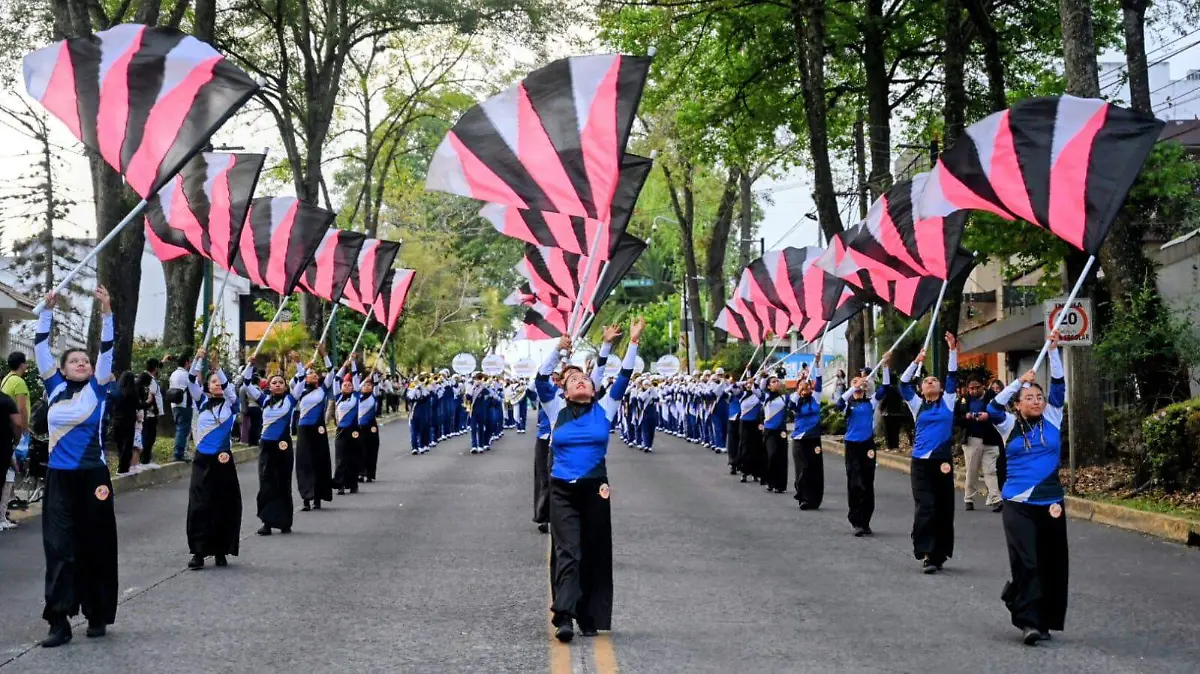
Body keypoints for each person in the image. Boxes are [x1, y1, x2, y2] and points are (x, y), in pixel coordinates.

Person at [536, 318, 642, 642]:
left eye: (586, 380)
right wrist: (558, 349)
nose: (581, 382)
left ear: (594, 389)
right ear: (565, 390)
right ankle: (564, 615)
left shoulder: (606, 409)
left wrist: (631, 342)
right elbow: (541, 378)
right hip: (563, 490)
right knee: (569, 550)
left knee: (593, 550)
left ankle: (589, 614)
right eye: (575, 380)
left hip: (596, 489)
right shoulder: (555, 409)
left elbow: (624, 376)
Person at [36, 288, 118, 647]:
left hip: (93, 478)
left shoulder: (99, 388)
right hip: (59, 479)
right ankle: (59, 620)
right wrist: (46, 311)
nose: (83, 363)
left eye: (86, 359)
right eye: (75, 360)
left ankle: (96, 613)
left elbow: (108, 350)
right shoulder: (53, 387)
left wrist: (107, 311)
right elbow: (40, 344)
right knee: (58, 547)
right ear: (62, 368)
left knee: (95, 544)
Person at [988, 331, 1068, 645]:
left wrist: (1053, 351)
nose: (1035, 401)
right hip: (1018, 503)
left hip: (1051, 503)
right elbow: (994, 406)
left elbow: (1059, 386)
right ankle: (1029, 622)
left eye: (1038, 397)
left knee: (1050, 563)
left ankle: (1041, 615)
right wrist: (1017, 383)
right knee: (1028, 560)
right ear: (1019, 405)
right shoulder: (1008, 425)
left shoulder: (1052, 417)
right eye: (1029, 398)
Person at [899, 333, 959, 574]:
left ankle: (938, 553)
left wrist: (953, 351)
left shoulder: (949, 402)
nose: (931, 382)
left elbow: (953, 376)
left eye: (935, 380)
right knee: (926, 506)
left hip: (942, 462)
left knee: (944, 507)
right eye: (926, 381)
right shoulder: (917, 405)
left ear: (941, 388)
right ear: (922, 389)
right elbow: (903, 384)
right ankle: (926, 552)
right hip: (921, 464)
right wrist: (916, 362)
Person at [185, 349, 242, 570]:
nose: (217, 384)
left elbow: (230, 390)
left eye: (220, 381)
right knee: (199, 505)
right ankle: (198, 552)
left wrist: (218, 368)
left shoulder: (231, 404)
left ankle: (221, 550)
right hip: (202, 460)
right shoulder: (200, 402)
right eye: (213, 382)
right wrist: (198, 359)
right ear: (207, 386)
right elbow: (191, 381)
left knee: (223, 504)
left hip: (224, 461)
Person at [836, 353, 891, 537]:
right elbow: (839, 403)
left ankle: (866, 521)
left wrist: (885, 365)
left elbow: (885, 388)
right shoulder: (848, 404)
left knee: (867, 483)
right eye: (855, 383)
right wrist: (853, 388)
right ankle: (856, 521)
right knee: (855, 482)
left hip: (867, 445)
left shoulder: (870, 402)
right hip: (852, 446)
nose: (860, 385)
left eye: (862, 383)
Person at [245, 362, 304, 536]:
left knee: (283, 482)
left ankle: (285, 521)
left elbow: (301, 380)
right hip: (266, 446)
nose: (277, 384)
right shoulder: (263, 401)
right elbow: (247, 384)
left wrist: (299, 363)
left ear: (285, 386)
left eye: (281, 382)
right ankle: (267, 522)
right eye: (274, 382)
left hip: (283, 446)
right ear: (268, 386)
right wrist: (250, 364)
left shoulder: (291, 400)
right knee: (266, 482)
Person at [295, 349, 337, 510]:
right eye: (310, 373)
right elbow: (295, 379)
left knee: (319, 461)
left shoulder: (322, 389)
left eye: (315, 373)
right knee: (304, 463)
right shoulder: (299, 390)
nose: (313, 374)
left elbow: (331, 372)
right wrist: (303, 365)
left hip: (318, 429)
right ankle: (307, 497)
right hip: (304, 430)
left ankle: (318, 496)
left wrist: (324, 354)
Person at [958, 376, 1003, 512]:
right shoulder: (963, 401)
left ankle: (995, 498)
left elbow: (1002, 415)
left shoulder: (993, 398)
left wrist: (988, 417)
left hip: (991, 439)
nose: (974, 390)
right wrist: (966, 417)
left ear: (983, 386)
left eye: (977, 387)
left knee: (990, 471)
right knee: (972, 471)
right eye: (971, 388)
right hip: (972, 439)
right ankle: (969, 498)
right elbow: (956, 419)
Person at [789, 352, 824, 510]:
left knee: (814, 469)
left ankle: (814, 499)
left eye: (808, 386)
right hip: (799, 439)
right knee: (802, 469)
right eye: (803, 387)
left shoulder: (815, 398)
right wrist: (798, 390)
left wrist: (817, 364)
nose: (806, 388)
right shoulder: (796, 400)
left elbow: (819, 380)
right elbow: (790, 405)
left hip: (814, 439)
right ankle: (803, 496)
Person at [2, 352, 29, 530]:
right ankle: (3, 512)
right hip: (12, 431)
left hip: (6, 428)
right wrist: (24, 429)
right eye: (26, 364)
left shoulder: (6, 379)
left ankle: (6, 508)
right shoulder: (19, 382)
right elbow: (21, 408)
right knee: (11, 471)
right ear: (22, 364)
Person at [332, 361, 361, 496]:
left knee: (353, 458)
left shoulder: (356, 396)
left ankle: (353, 484)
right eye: (345, 385)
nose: (348, 386)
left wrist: (353, 363)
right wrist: (344, 365)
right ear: (341, 387)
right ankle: (340, 485)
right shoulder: (338, 397)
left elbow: (355, 377)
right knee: (340, 458)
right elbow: (336, 378)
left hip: (354, 430)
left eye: (350, 385)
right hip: (341, 431)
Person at [760, 372, 789, 494]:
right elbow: (761, 385)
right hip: (769, 431)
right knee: (771, 455)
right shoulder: (765, 397)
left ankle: (780, 484)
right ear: (768, 386)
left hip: (781, 431)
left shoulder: (784, 398)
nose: (776, 383)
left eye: (777, 381)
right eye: (773, 382)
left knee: (781, 457)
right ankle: (769, 480)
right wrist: (764, 375)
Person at [111, 371, 140, 475]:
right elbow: (138, 405)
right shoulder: (133, 393)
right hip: (129, 422)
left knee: (119, 445)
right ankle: (124, 467)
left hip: (117, 421)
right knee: (127, 445)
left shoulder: (117, 392)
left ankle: (120, 465)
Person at [167, 352, 194, 463]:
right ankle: (179, 453)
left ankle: (179, 451)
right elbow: (193, 388)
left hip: (174, 405)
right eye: (190, 362)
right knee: (183, 430)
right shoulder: (186, 375)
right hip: (184, 405)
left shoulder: (174, 373)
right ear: (187, 362)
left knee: (179, 428)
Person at [139, 358, 163, 467]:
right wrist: (154, 409)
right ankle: (145, 460)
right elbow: (150, 396)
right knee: (149, 438)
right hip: (150, 414)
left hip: (146, 413)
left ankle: (144, 459)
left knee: (147, 437)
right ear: (156, 368)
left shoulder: (144, 377)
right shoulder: (150, 380)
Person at [239, 370, 264, 446]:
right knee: (256, 425)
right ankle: (255, 440)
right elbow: (259, 398)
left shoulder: (249, 389)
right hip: (256, 408)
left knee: (252, 425)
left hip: (250, 407)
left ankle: (250, 441)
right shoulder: (256, 389)